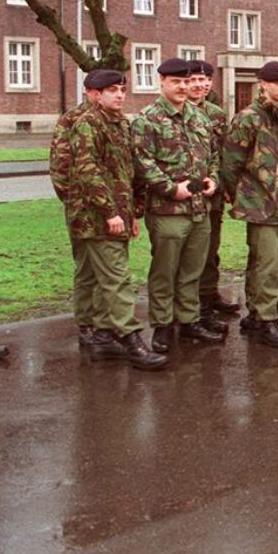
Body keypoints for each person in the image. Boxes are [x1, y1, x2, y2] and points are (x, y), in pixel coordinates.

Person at [70, 70, 168, 370]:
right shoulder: (87, 125)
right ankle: (130, 338)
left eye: (121, 89)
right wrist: (109, 212)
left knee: (104, 278)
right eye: (111, 90)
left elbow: (130, 171)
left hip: (117, 214)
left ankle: (102, 336)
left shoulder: (122, 124)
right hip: (97, 217)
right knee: (116, 278)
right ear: (94, 94)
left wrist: (134, 212)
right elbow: (88, 171)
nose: (119, 95)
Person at [132, 58, 222, 353]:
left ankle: (189, 321)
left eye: (186, 82)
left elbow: (213, 154)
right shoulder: (148, 119)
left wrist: (214, 179)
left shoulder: (199, 117)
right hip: (167, 210)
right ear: (162, 82)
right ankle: (161, 325)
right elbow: (142, 162)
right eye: (177, 82)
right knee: (164, 271)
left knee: (192, 270)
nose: (184, 87)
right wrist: (171, 189)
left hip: (199, 207)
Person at [219, 61, 278, 349]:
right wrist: (237, 194)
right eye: (277, 82)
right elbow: (231, 163)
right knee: (266, 263)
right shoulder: (248, 118)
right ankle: (265, 319)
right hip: (259, 202)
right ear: (262, 83)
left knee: (268, 262)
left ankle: (257, 314)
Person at [189, 60, 239, 333]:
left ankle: (209, 296)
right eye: (196, 79)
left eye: (207, 79)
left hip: (214, 194)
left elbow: (224, 154)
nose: (203, 84)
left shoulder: (217, 114)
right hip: (186, 197)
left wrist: (227, 187)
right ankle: (192, 308)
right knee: (191, 255)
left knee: (211, 250)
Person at [48, 85, 98, 348]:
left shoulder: (115, 120)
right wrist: (75, 201)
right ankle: (86, 322)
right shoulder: (72, 120)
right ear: (89, 91)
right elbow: (60, 167)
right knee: (86, 266)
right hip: (83, 207)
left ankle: (106, 321)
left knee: (109, 268)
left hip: (111, 208)